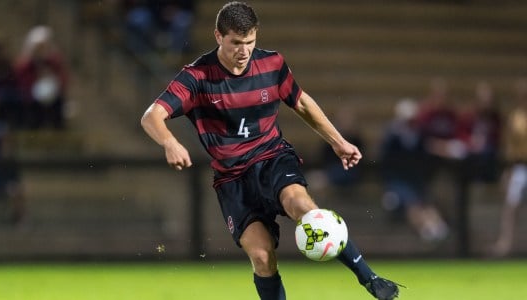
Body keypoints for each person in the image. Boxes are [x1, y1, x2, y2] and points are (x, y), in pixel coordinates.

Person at [140, 2, 401, 299]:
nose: (244, 50)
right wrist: (170, 142)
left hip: (272, 158)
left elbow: (301, 102)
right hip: (232, 179)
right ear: (218, 36)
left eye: (249, 42)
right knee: (263, 257)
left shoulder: (272, 64)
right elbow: (151, 116)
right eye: (236, 43)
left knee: (305, 210)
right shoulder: (197, 77)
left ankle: (370, 279)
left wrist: (338, 141)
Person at [379, 98, 448, 242]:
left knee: (426, 203)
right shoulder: (393, 135)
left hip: (415, 179)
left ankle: (437, 227)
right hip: (398, 180)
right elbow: (385, 159)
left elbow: (425, 152)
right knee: (412, 205)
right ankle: (427, 230)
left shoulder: (418, 134)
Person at [490, 79, 527, 257]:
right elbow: (509, 146)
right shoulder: (516, 117)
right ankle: (506, 243)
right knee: (511, 206)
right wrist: (508, 169)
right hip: (520, 166)